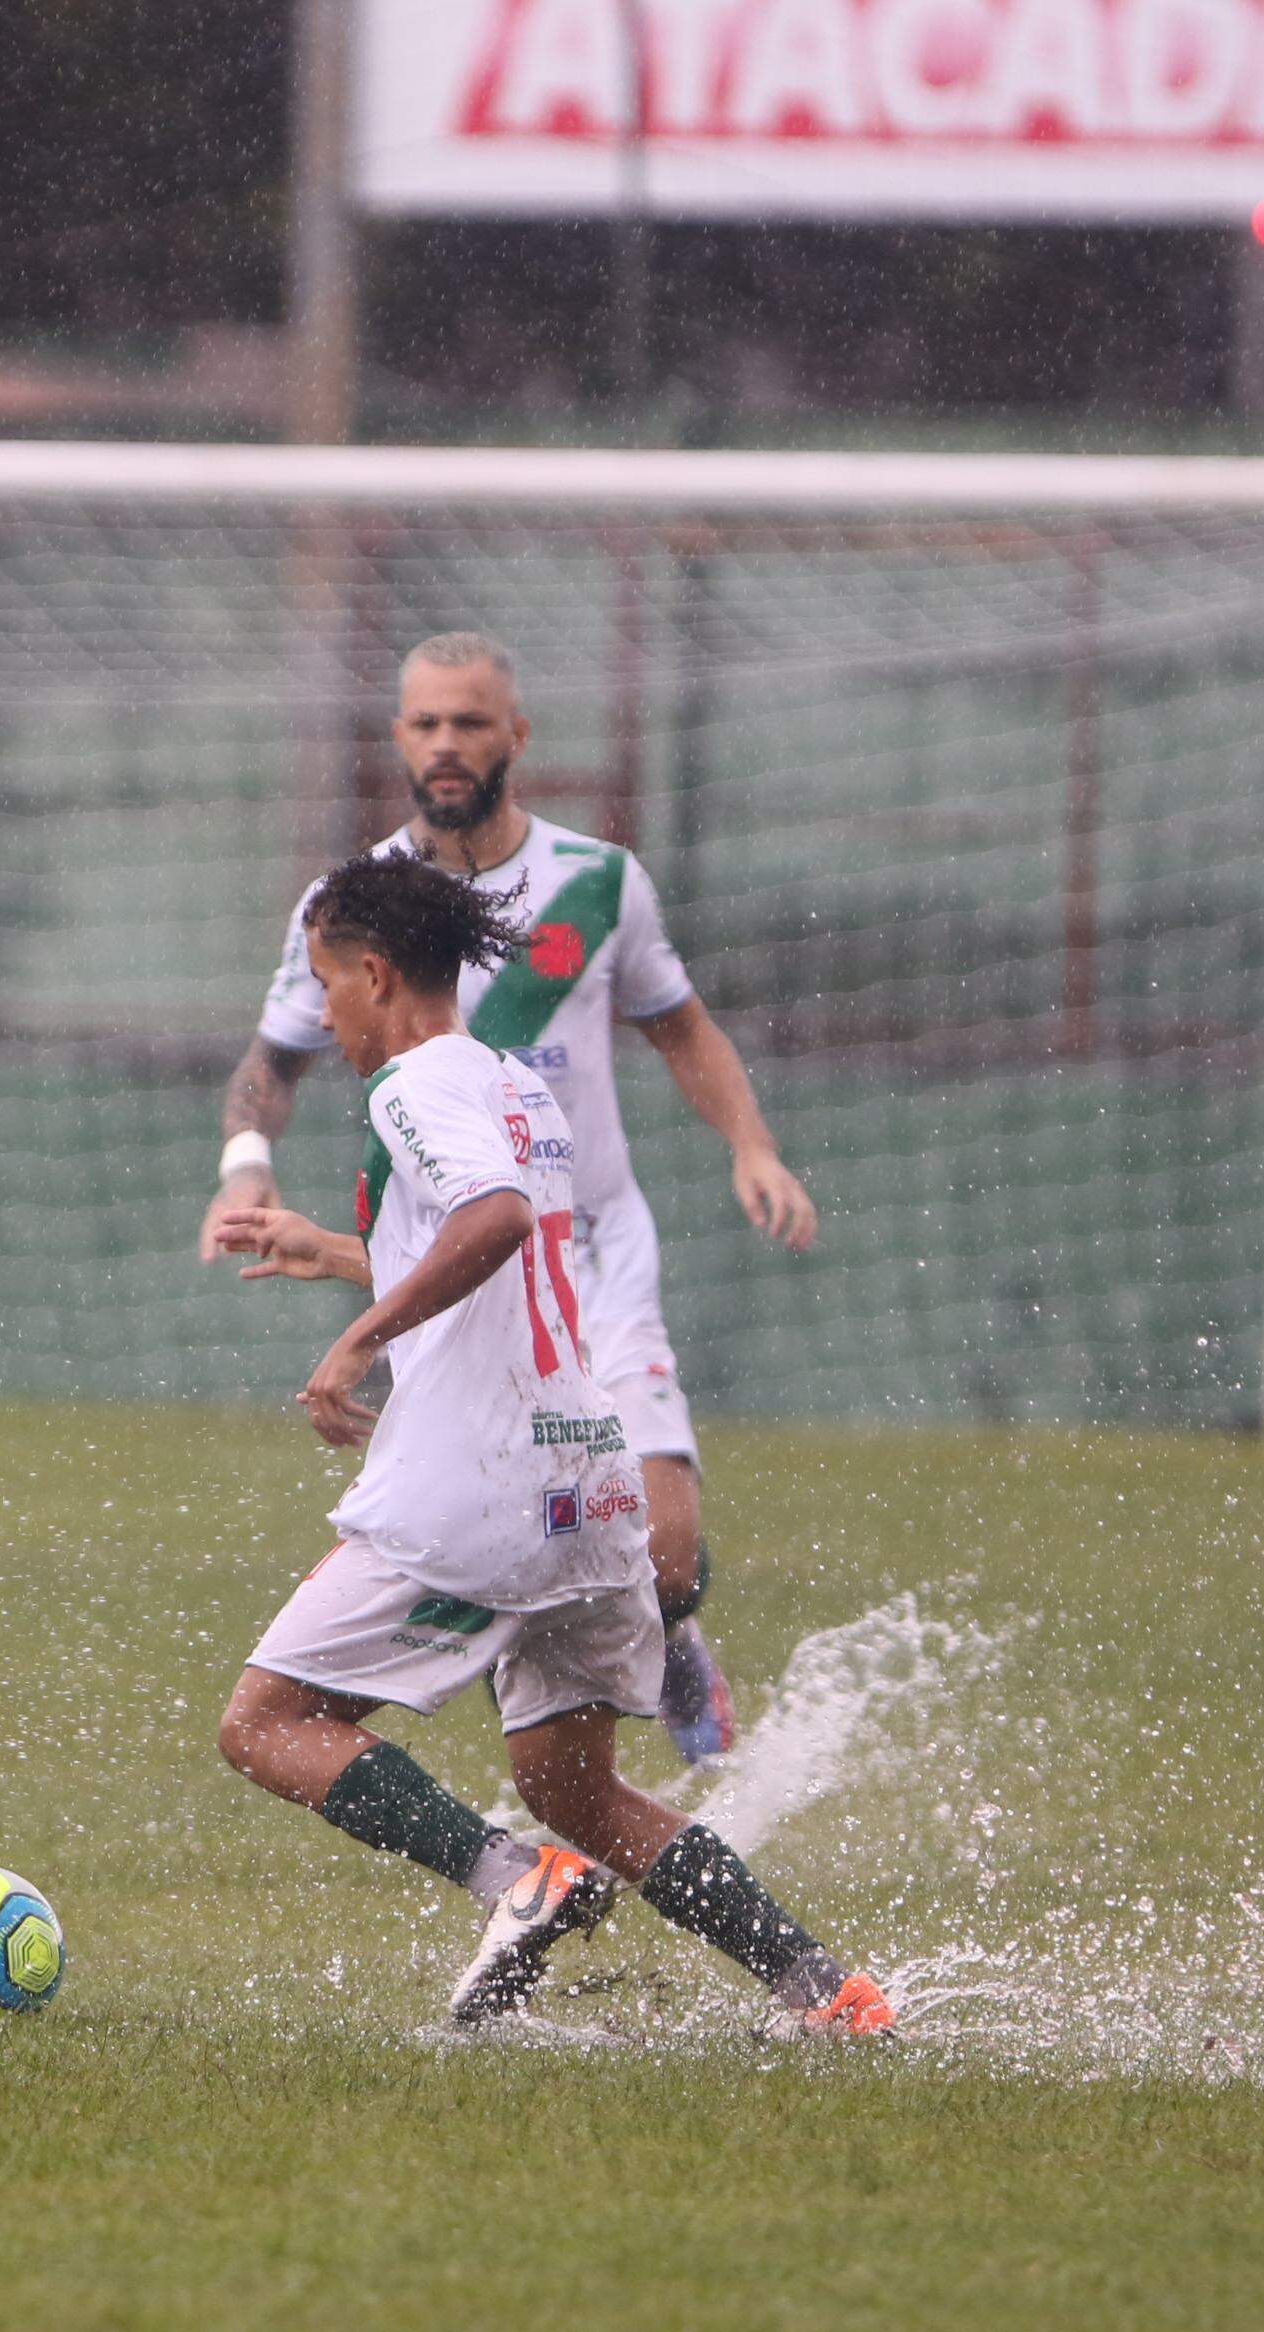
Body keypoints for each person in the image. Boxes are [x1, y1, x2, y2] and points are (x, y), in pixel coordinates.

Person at [207, 853, 891, 2034]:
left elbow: (496, 1219)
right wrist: (339, 1251)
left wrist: (356, 1340)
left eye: (328, 984)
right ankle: (831, 1991)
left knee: (266, 1724)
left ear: (375, 974)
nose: (322, 1011)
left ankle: (515, 1880)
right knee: (576, 1785)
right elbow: (500, 1260)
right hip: (588, 1478)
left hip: (477, 1491)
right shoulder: (515, 1084)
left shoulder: (411, 1091)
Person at [202, 630, 819, 1770]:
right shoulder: (352, 904)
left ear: (516, 735)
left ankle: (672, 1646)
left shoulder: (600, 882)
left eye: (470, 721)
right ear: (398, 735)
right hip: (464, 1270)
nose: (447, 743)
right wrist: (246, 1161)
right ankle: (554, 1769)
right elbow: (272, 1058)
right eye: (426, 721)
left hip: (592, 1250)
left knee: (669, 1552)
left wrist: (752, 1145)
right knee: (504, 1532)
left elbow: (679, 1026)